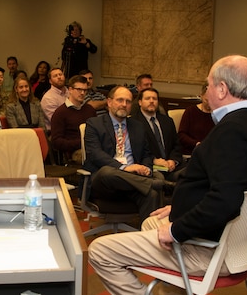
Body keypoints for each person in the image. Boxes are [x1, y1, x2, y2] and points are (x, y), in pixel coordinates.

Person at [88, 55, 247, 295]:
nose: (204, 93)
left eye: (207, 86)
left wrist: (177, 228)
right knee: (151, 225)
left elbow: (225, 201)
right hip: (237, 245)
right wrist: (175, 208)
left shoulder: (231, 132)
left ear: (221, 89)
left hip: (209, 250)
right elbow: (228, 188)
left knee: (100, 251)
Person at [83, 86, 169, 220]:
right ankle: (155, 183)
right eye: (120, 100)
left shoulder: (137, 126)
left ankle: (147, 236)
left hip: (132, 181)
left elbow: (146, 154)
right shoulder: (94, 123)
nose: (124, 104)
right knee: (107, 171)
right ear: (109, 102)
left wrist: (145, 168)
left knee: (151, 194)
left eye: (128, 101)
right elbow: (95, 154)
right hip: (105, 183)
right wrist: (124, 168)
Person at [135, 87, 185, 182]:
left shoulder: (167, 121)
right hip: (151, 167)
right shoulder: (134, 123)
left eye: (154, 99)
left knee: (194, 171)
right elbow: (137, 151)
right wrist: (154, 160)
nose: (151, 101)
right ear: (140, 102)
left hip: (171, 167)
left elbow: (177, 145)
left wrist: (173, 160)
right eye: (147, 98)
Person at [50, 75, 96, 162]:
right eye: (79, 89)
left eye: (85, 90)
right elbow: (56, 142)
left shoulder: (90, 110)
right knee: (93, 156)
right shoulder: (60, 112)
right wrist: (81, 143)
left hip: (92, 147)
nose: (82, 93)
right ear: (70, 90)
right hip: (74, 152)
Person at [177, 86, 215, 154]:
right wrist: (196, 144)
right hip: (191, 151)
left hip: (210, 152)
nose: (209, 103)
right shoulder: (191, 111)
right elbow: (181, 135)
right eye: (207, 100)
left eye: (212, 100)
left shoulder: (217, 114)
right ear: (201, 96)